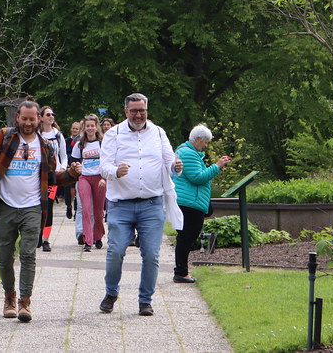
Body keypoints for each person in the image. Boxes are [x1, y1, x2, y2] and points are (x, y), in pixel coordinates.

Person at [0, 101, 82, 323]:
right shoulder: (5, 137)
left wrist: (71, 173)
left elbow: (53, 178)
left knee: (29, 254)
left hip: (33, 207)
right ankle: (9, 297)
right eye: (24, 118)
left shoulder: (45, 147)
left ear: (39, 119)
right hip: (6, 207)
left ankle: (24, 302)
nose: (28, 123)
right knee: (4, 256)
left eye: (32, 119)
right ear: (17, 118)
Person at [98, 93, 183, 317]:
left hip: (151, 204)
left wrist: (176, 165)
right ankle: (111, 292)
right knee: (115, 251)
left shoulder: (158, 132)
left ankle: (145, 300)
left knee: (152, 254)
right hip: (121, 204)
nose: (138, 115)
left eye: (142, 110)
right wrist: (115, 171)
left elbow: (168, 159)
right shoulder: (113, 134)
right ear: (125, 112)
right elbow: (103, 166)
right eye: (134, 110)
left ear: (147, 110)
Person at [173, 123, 230, 283]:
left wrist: (215, 168)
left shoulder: (187, 152)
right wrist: (217, 166)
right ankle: (181, 272)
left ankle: (181, 270)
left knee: (186, 237)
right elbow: (198, 177)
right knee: (186, 237)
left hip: (191, 201)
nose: (206, 145)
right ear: (198, 139)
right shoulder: (188, 153)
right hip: (189, 202)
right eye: (205, 142)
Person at [72, 114, 106, 252]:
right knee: (86, 209)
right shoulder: (80, 144)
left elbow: (108, 161)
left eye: (93, 125)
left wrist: (104, 178)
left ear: (97, 127)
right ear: (84, 128)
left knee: (98, 211)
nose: (90, 128)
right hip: (84, 178)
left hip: (99, 178)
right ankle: (87, 240)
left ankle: (98, 236)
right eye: (88, 126)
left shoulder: (103, 143)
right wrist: (76, 166)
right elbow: (73, 161)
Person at [37, 105, 68, 252]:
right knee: (36, 206)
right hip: (37, 176)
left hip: (52, 176)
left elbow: (64, 154)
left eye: (52, 114)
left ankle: (46, 239)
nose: (51, 117)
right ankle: (36, 234)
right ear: (41, 117)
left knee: (48, 206)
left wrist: (62, 168)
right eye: (48, 114)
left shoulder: (57, 135)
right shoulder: (36, 134)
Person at [62, 121, 82, 220]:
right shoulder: (67, 141)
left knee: (76, 189)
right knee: (67, 188)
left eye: (76, 129)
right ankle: (68, 205)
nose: (74, 130)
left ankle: (76, 210)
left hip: (77, 168)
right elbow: (65, 153)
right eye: (73, 128)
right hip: (68, 166)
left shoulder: (80, 141)